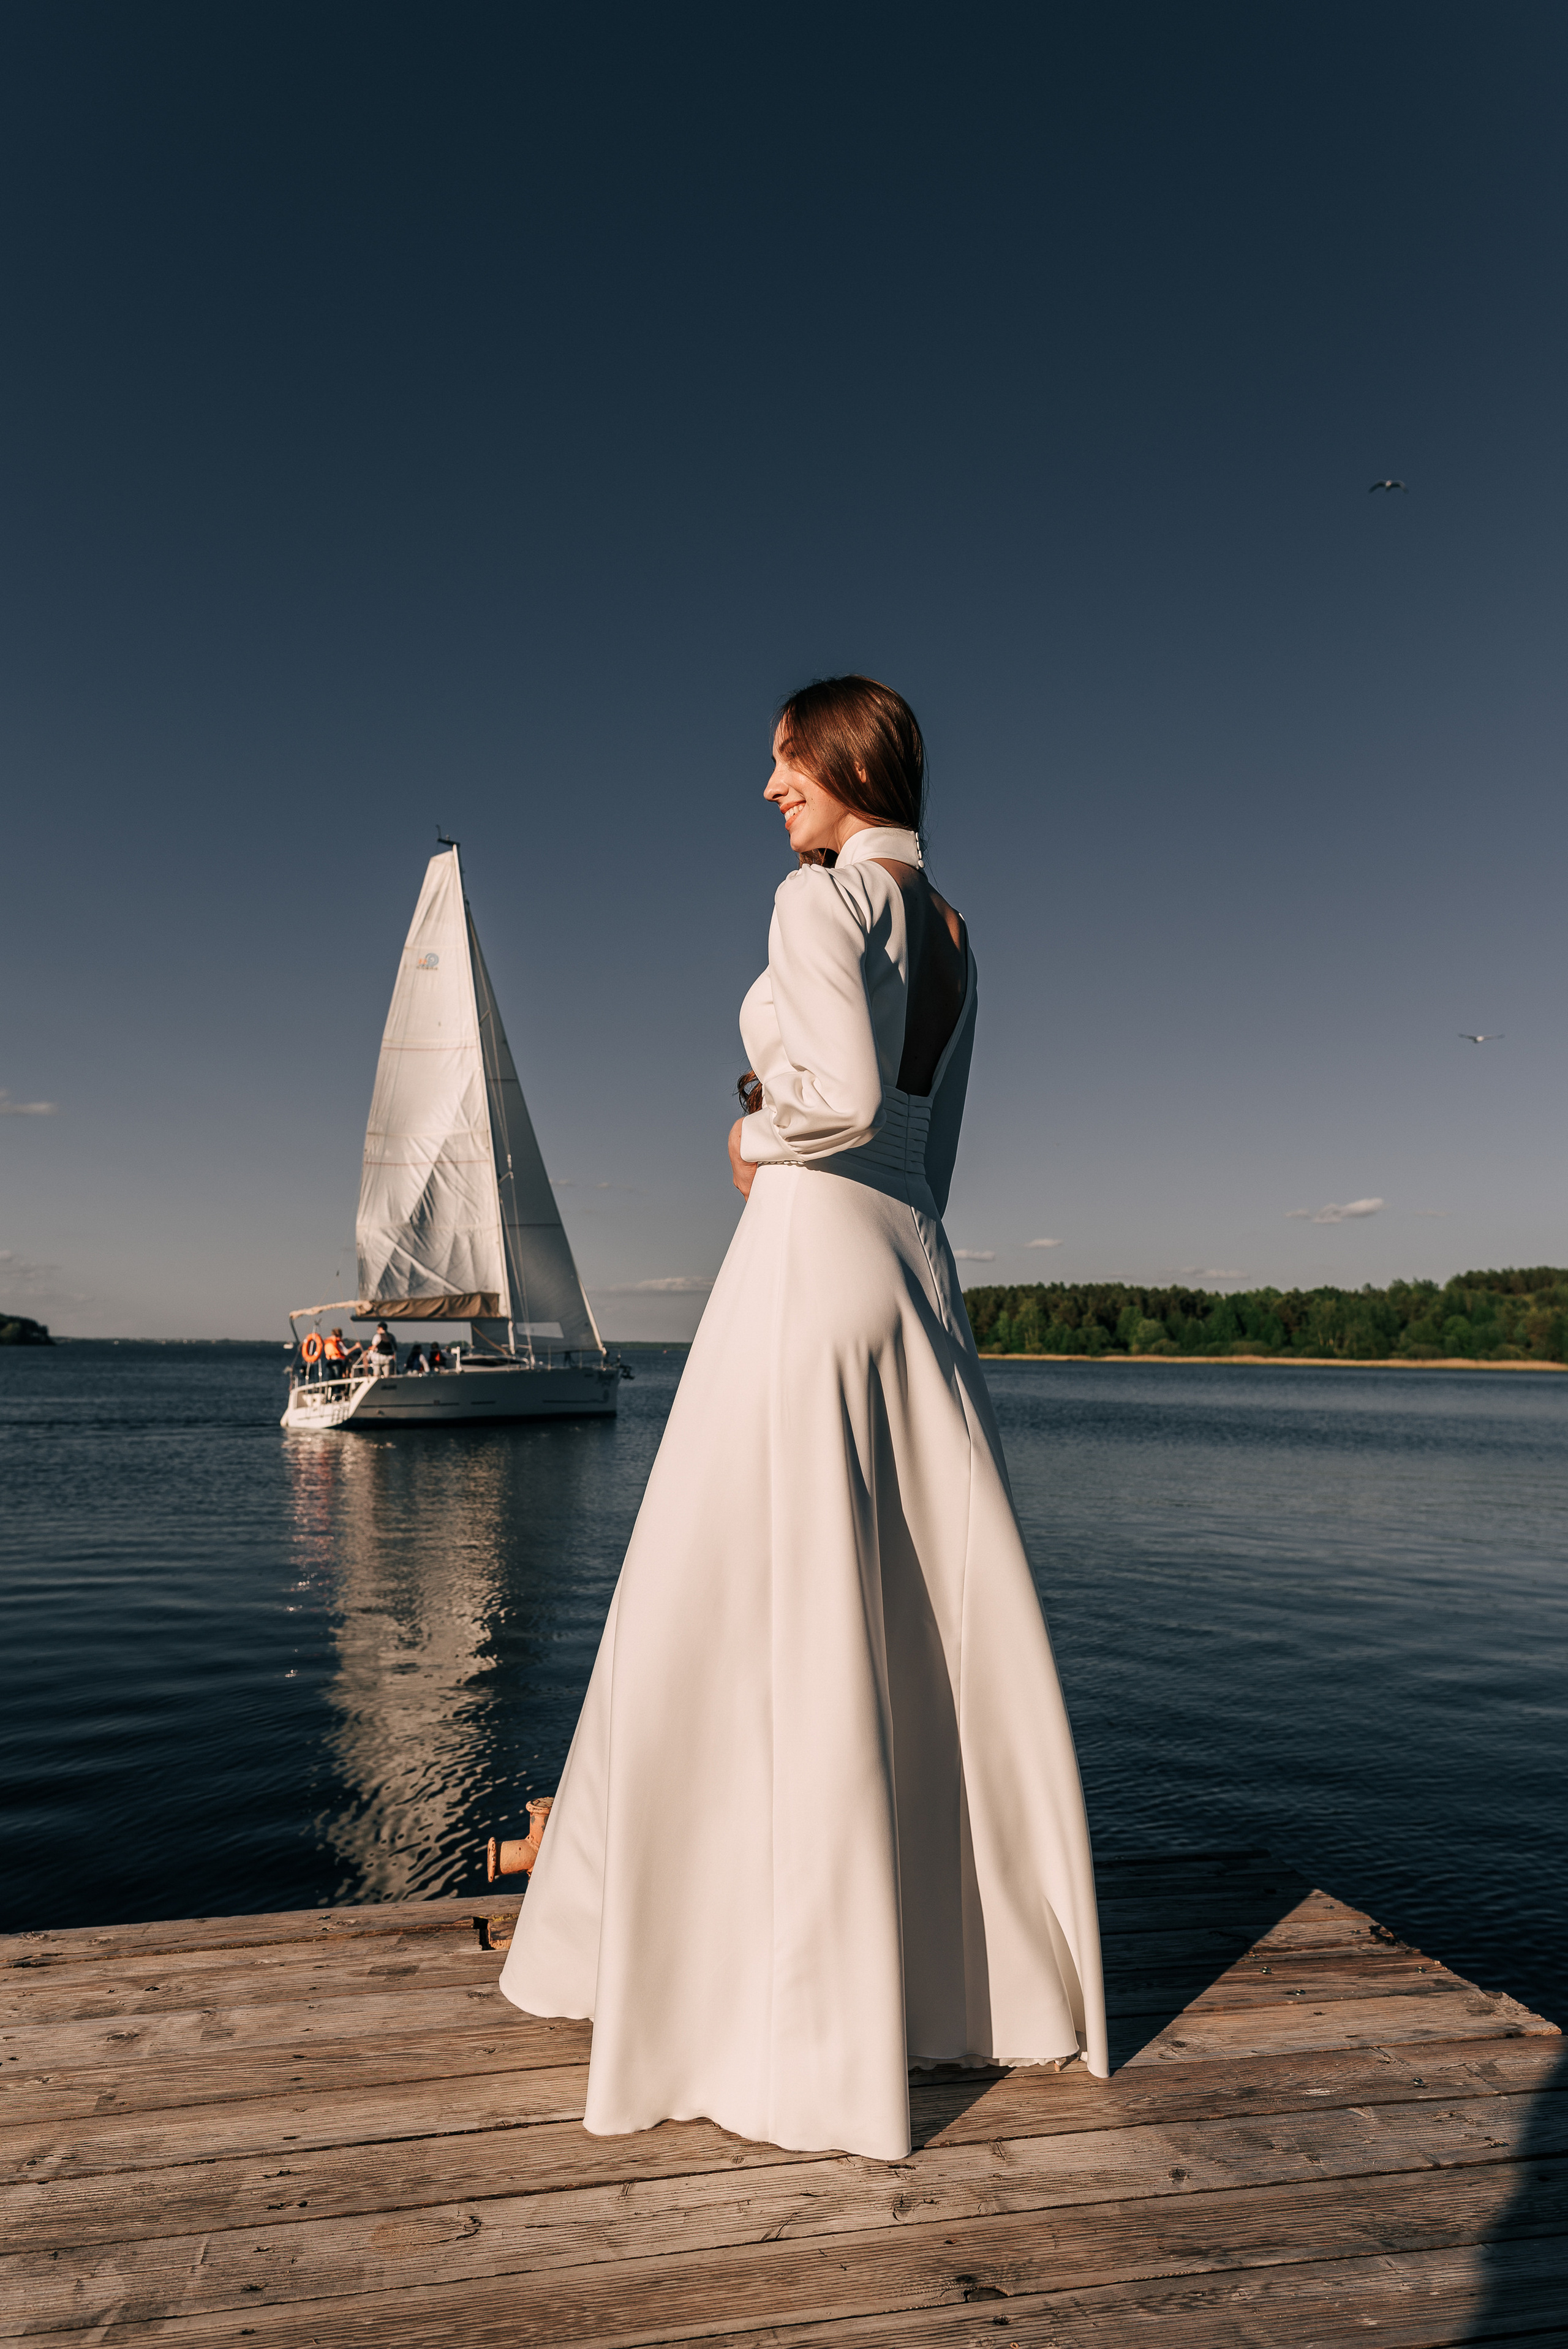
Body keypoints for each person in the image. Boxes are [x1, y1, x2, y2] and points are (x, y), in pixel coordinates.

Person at [500, 675, 1106, 2160]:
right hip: (907, 1262)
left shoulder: (822, 901)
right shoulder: (957, 933)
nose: (769, 789)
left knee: (735, 1592)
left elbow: (827, 1094)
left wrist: (745, 1134)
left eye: (781, 763)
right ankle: (954, 1973)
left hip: (807, 1248)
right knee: (909, 1610)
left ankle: (730, 1977)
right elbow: (929, 1150)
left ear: (840, 761)